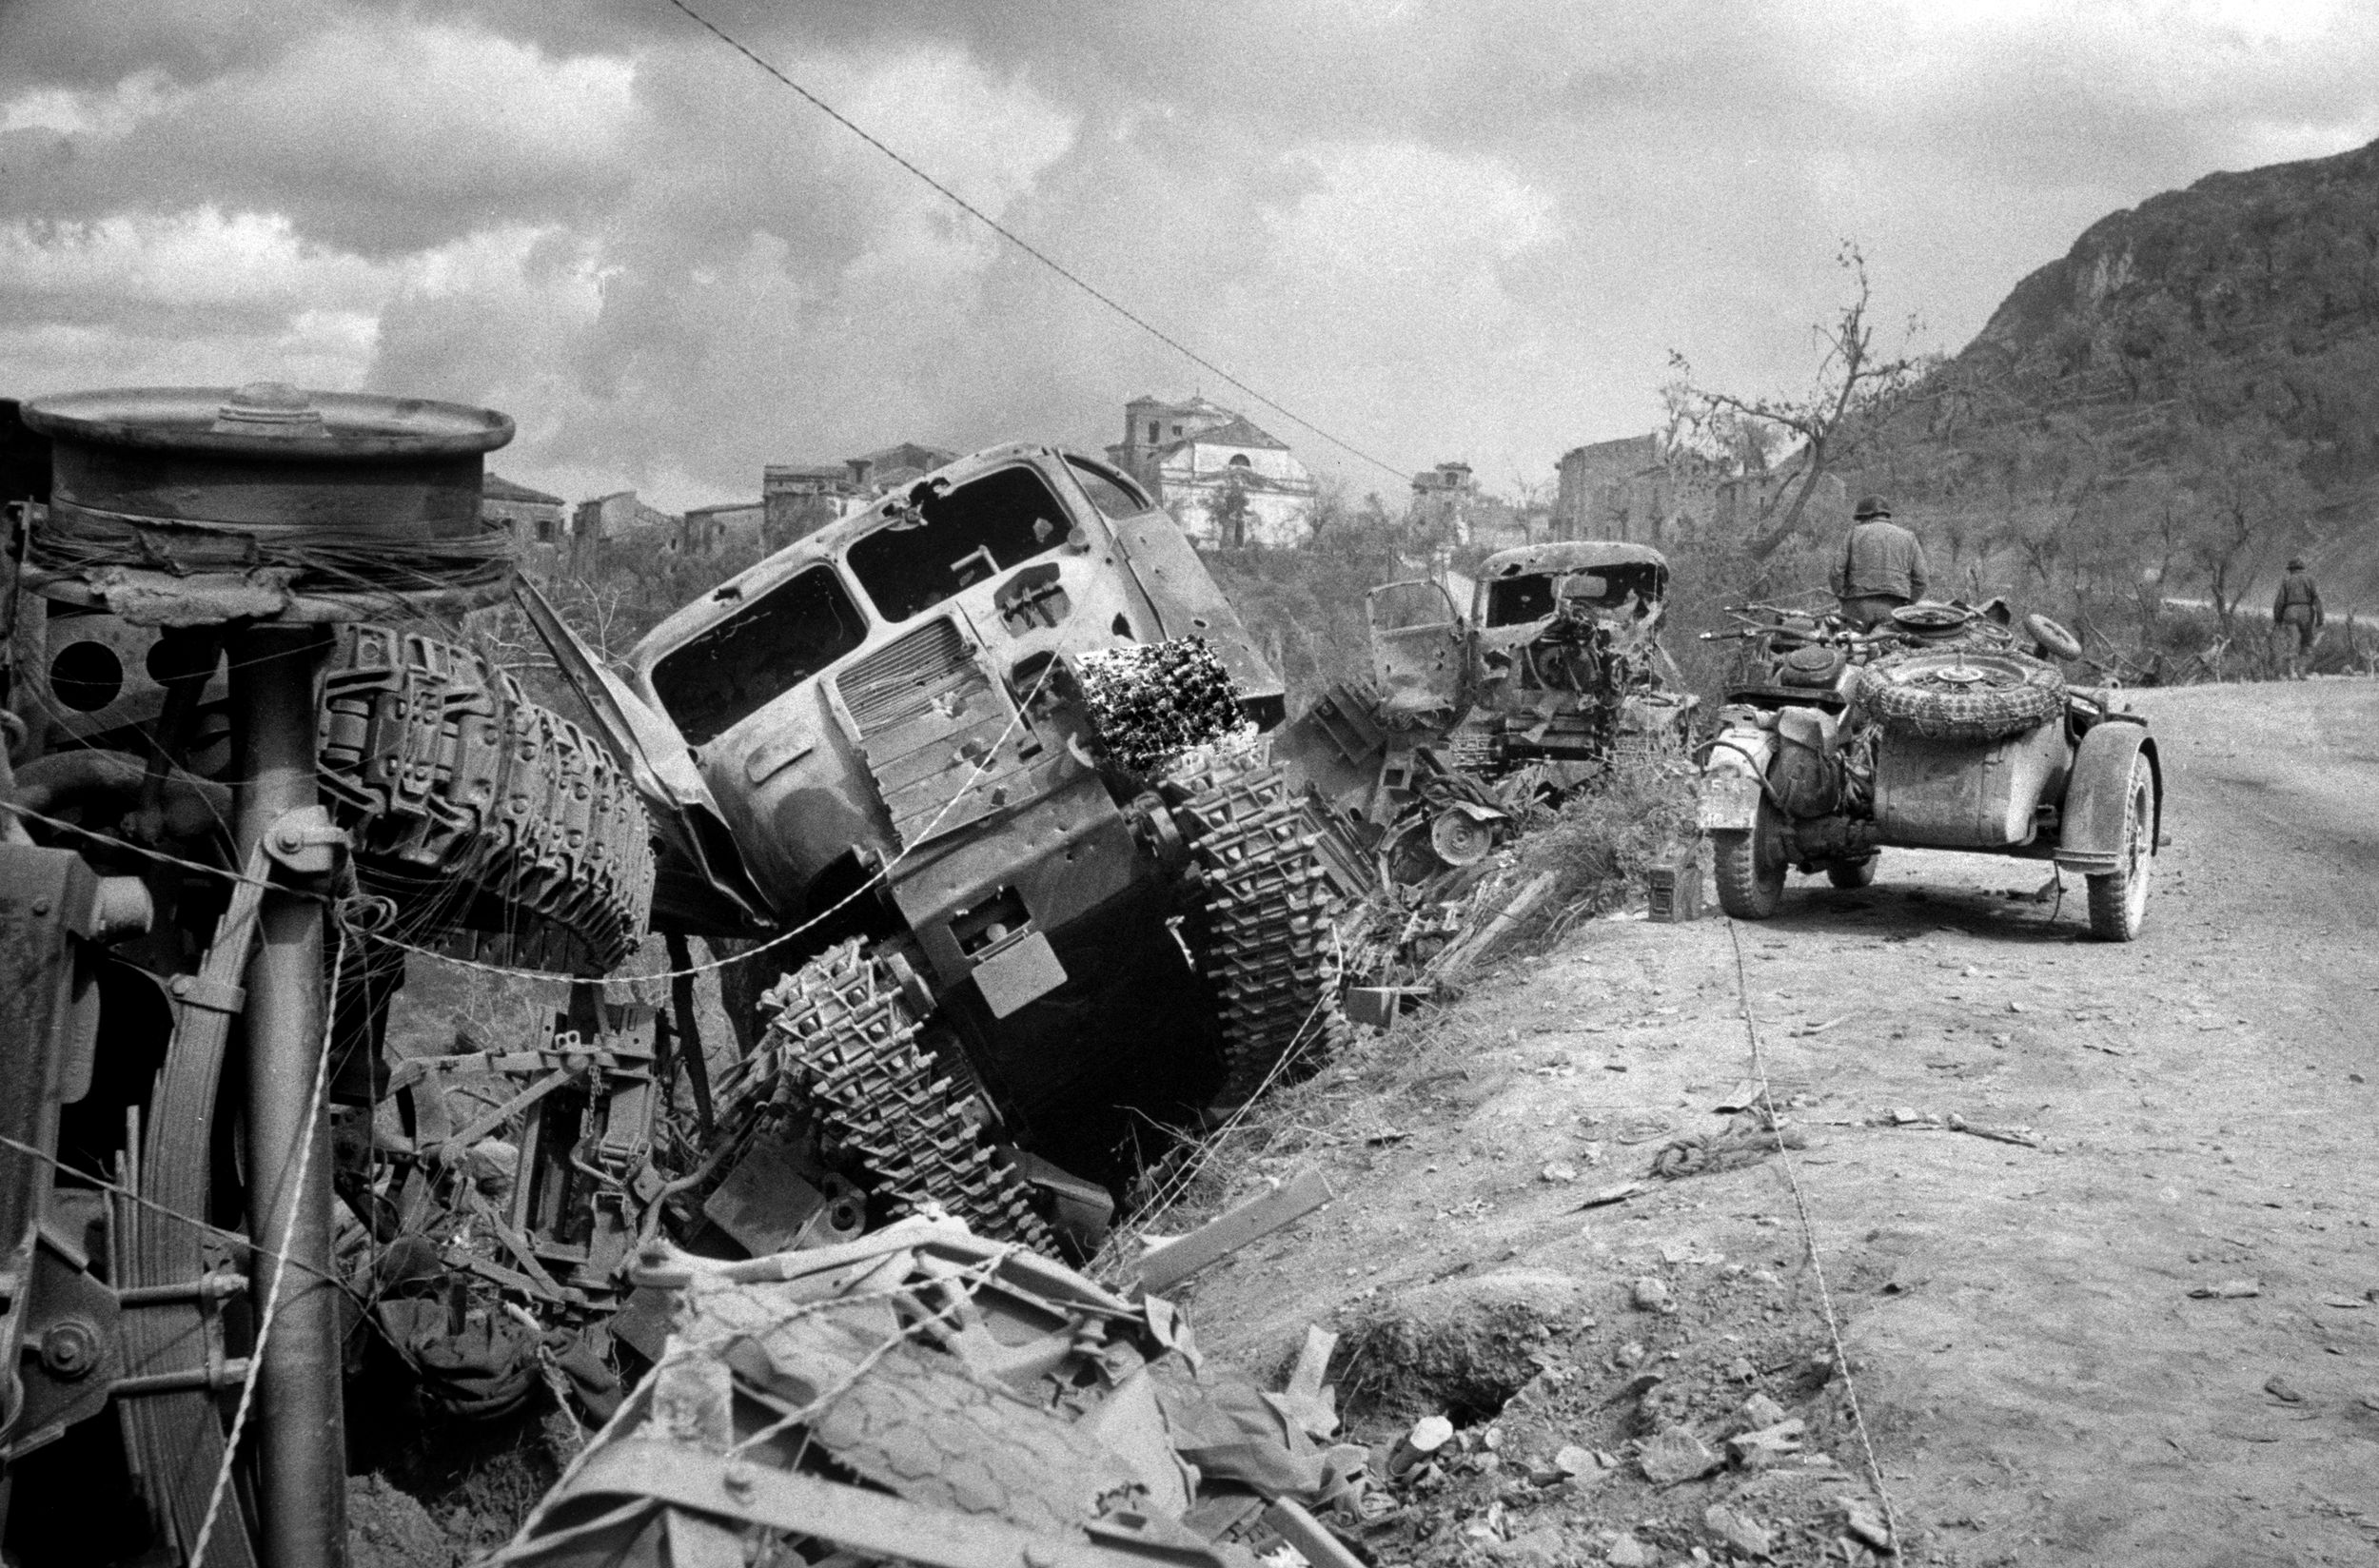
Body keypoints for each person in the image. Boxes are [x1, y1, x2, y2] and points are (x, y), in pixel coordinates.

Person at [1833, 496, 1930, 630]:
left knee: (1848, 647)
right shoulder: (1909, 537)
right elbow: (1922, 579)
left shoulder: (1853, 534)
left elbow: (1836, 572)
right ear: (1886, 515)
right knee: (1891, 647)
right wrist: (1907, 604)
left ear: (1865, 516)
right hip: (1893, 608)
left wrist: (1843, 596)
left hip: (1857, 606)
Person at [2272, 556, 2323, 679]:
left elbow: (2279, 601)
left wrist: (2277, 618)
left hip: (2290, 612)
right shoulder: (2311, 580)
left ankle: (2290, 672)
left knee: (2292, 643)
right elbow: (2317, 599)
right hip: (2307, 612)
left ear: (2291, 569)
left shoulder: (2287, 581)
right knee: (2307, 643)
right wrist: (2320, 618)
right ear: (2302, 568)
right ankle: (2301, 670)